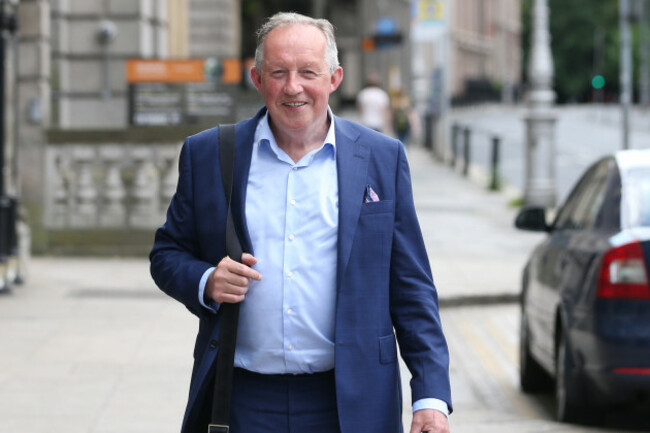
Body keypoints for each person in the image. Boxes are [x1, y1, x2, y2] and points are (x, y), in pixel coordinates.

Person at [150, 12, 452, 433]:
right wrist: (206, 281)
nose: (293, 87)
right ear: (257, 79)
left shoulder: (382, 159)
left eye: (308, 72)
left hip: (352, 403)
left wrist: (431, 396)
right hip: (241, 401)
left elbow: (412, 288)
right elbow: (166, 254)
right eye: (278, 72)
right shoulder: (209, 154)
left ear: (334, 78)